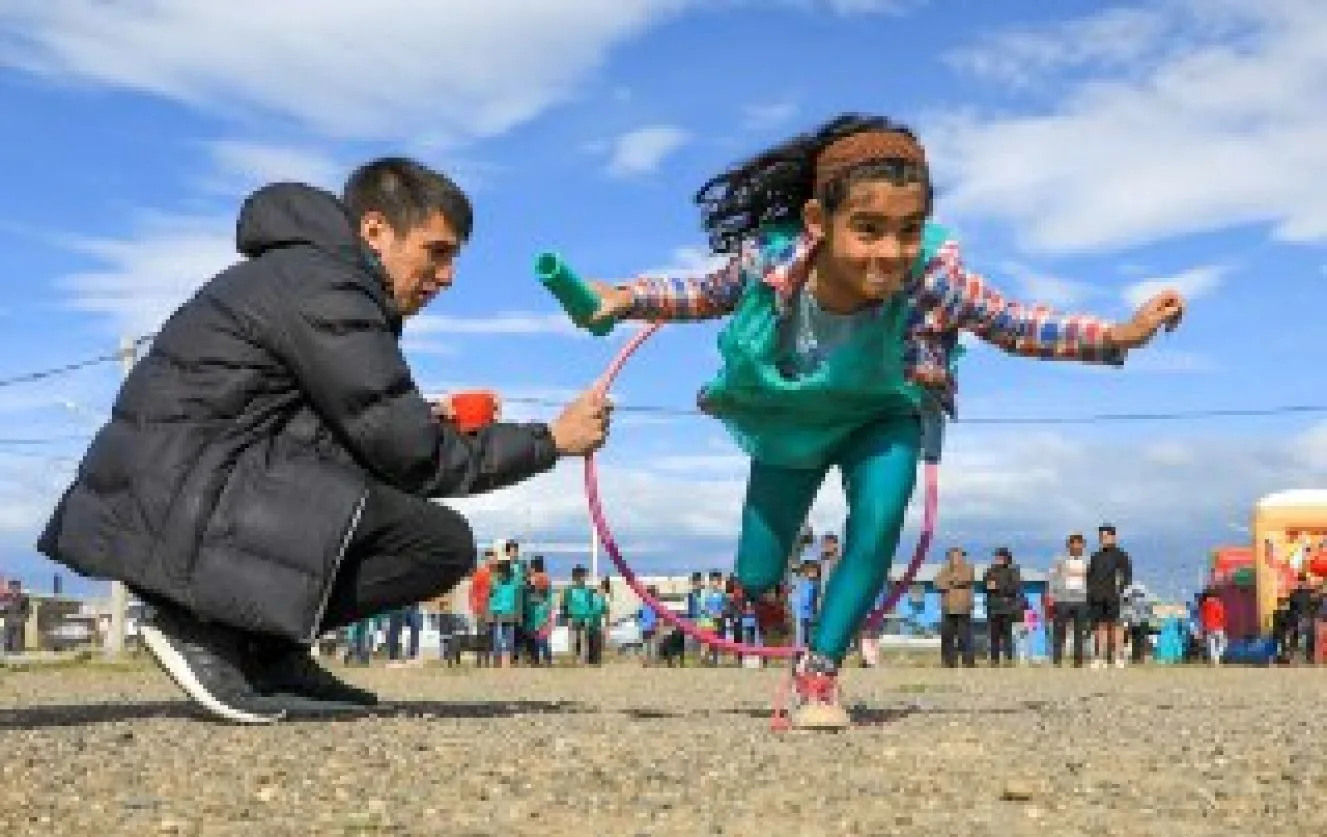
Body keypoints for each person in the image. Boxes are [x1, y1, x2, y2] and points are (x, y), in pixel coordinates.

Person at [583, 113, 1183, 728]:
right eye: (868, 230)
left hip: (883, 412)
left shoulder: (930, 277)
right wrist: (626, 298)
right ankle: (767, 598)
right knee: (757, 570)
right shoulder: (772, 261)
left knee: (878, 522)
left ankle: (819, 673)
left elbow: (1015, 323)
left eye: (908, 231)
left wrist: (1117, 334)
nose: (890, 252)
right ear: (819, 222)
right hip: (793, 419)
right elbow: (700, 293)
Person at [36, 158, 610, 723]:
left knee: (410, 521)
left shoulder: (308, 273)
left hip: (181, 486)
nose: (447, 276)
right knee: (438, 544)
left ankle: (267, 649)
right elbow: (411, 454)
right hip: (184, 498)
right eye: (437, 252)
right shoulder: (329, 284)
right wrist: (551, 440)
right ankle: (212, 630)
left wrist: (424, 417)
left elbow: (337, 422)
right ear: (376, 229)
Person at [1087, 525, 1133, 668]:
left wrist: (1120, 590)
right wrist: (1091, 592)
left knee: (1116, 627)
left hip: (1114, 596)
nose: (1103, 539)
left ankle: (1118, 657)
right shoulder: (1095, 556)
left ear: (1113, 537)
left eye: (1106, 536)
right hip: (1097, 597)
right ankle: (1099, 657)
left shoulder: (1121, 555)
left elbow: (1127, 576)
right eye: (1101, 537)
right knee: (1100, 627)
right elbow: (1090, 576)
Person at [1047, 534, 1091, 667]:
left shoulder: (1089, 561)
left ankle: (1078, 661)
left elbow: (1094, 579)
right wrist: (1051, 596)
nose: (1076, 546)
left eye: (1079, 544)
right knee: (1059, 630)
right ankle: (1057, 660)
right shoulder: (1059, 560)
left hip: (1082, 600)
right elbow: (1051, 577)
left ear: (1083, 545)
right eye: (1073, 543)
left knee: (1080, 631)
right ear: (1069, 545)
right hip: (1062, 599)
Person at [933, 547, 975, 668]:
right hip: (947, 608)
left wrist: (949, 582)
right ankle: (948, 661)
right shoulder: (944, 570)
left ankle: (968, 662)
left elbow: (964, 579)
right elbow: (937, 583)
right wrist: (950, 581)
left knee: (964, 636)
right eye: (952, 556)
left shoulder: (968, 568)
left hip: (963, 608)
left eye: (958, 556)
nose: (955, 558)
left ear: (962, 556)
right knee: (947, 636)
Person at [982, 548, 1022, 667]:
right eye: (997, 557)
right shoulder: (990, 571)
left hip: (1007, 607)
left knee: (1007, 635)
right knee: (994, 635)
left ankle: (1008, 659)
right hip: (993, 607)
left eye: (1001, 557)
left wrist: (998, 587)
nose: (998, 559)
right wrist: (988, 586)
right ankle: (994, 660)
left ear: (1006, 558)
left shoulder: (1013, 571)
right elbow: (984, 587)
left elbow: (1015, 587)